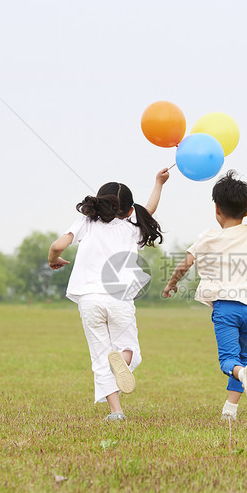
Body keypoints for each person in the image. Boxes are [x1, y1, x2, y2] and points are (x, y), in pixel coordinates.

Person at [48, 168, 169, 421]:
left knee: (100, 356)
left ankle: (116, 413)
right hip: (119, 297)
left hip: (89, 299)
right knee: (129, 351)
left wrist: (54, 259)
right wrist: (158, 182)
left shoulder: (85, 223)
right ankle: (121, 362)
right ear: (127, 210)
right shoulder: (133, 226)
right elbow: (150, 208)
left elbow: (57, 246)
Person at [162, 170, 247, 422]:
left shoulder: (207, 237)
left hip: (226, 309)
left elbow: (183, 265)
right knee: (242, 357)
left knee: (228, 361)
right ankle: (230, 411)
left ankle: (242, 375)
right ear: (246, 211)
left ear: (217, 208)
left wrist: (171, 284)